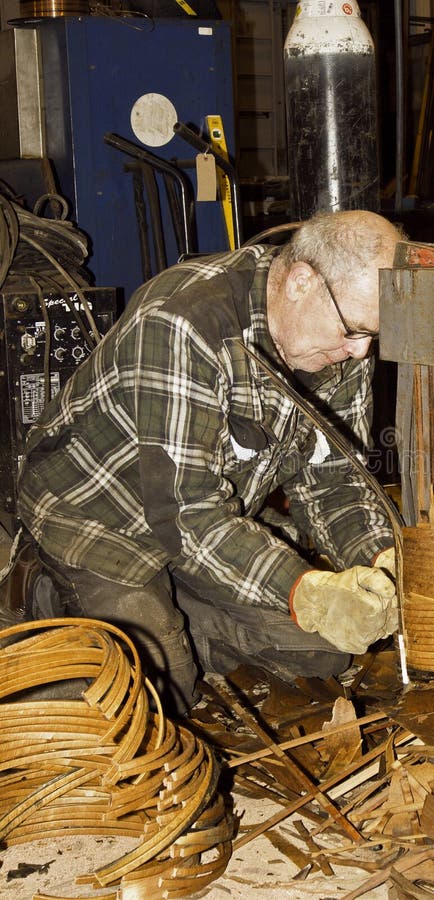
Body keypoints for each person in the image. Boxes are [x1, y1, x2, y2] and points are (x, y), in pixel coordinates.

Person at [14, 210, 401, 715]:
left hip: (205, 520)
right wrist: (302, 590)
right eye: (353, 330)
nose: (361, 351)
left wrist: (381, 558)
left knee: (324, 652)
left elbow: (334, 483)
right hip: (100, 518)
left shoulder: (337, 343)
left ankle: (169, 613)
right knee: (158, 695)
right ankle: (51, 593)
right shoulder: (185, 323)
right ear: (302, 281)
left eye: (372, 335)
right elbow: (188, 518)